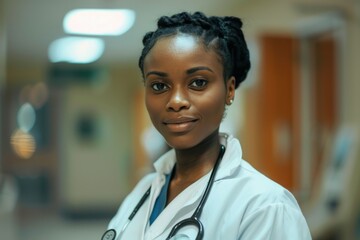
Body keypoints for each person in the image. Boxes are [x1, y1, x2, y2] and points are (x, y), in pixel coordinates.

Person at [103, 11, 311, 240]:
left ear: (229, 89)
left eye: (198, 82)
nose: (176, 102)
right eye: (159, 86)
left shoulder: (265, 207)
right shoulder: (143, 191)